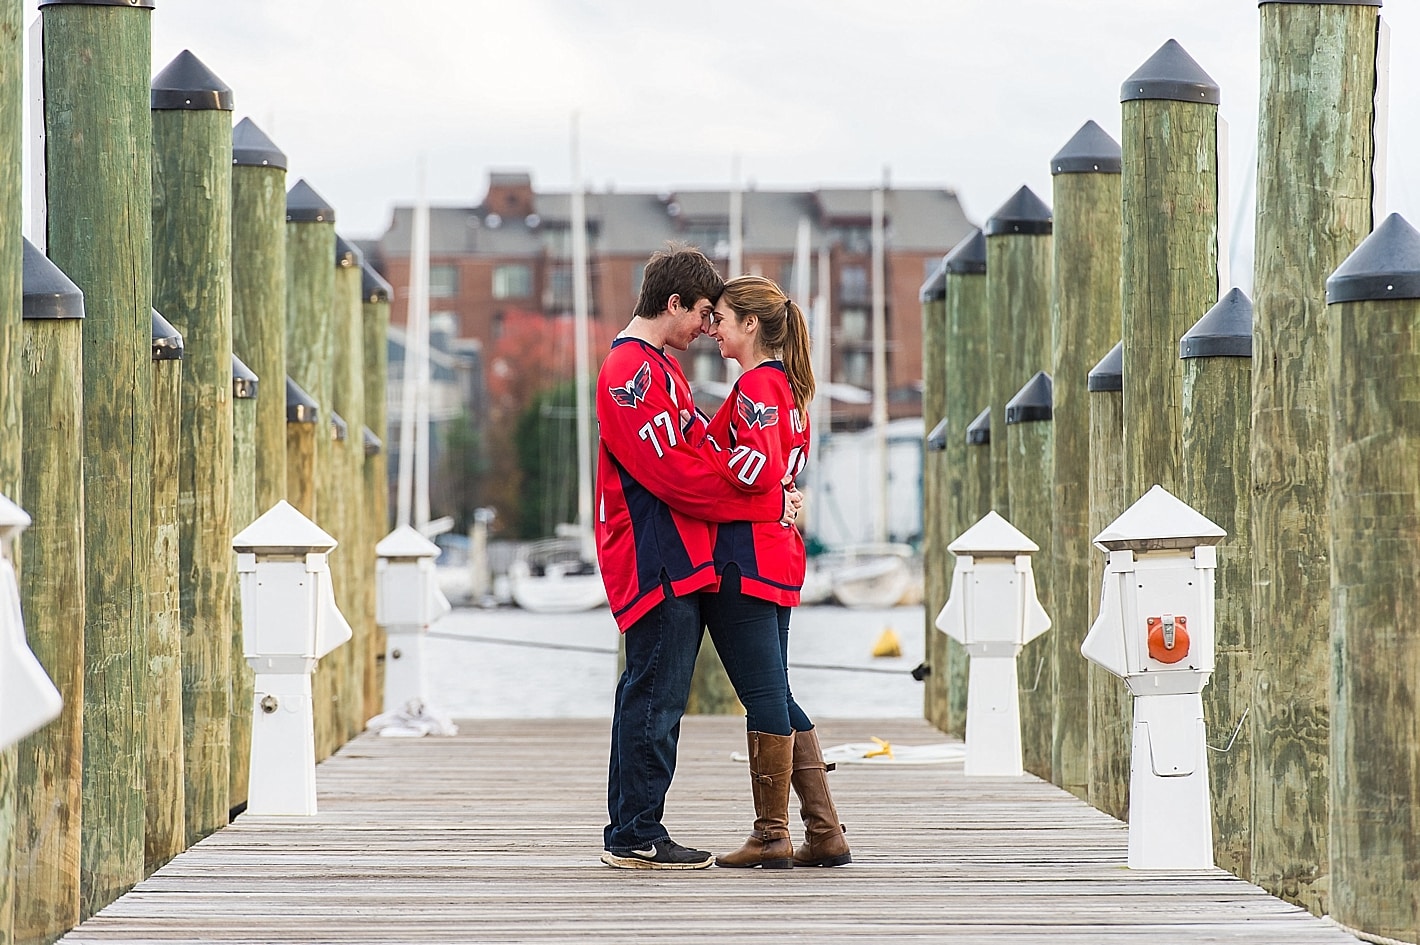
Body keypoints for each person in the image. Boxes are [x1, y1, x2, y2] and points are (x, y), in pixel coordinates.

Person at [594, 246, 798, 870]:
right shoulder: (630, 373)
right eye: (704, 313)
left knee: (659, 697)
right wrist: (767, 508)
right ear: (673, 302)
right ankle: (633, 834)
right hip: (655, 557)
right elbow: (676, 474)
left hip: (682, 557)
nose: (709, 328)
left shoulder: (660, 370)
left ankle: (638, 828)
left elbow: (704, 454)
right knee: (652, 697)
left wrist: (767, 488)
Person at [698, 275, 851, 869]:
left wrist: (702, 454)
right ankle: (824, 831)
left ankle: (771, 835)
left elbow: (755, 466)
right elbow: (778, 471)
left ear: (751, 325)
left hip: (746, 557)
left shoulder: (758, 386)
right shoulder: (789, 387)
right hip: (777, 554)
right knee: (776, 692)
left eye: (723, 320)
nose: (715, 330)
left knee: (761, 695)